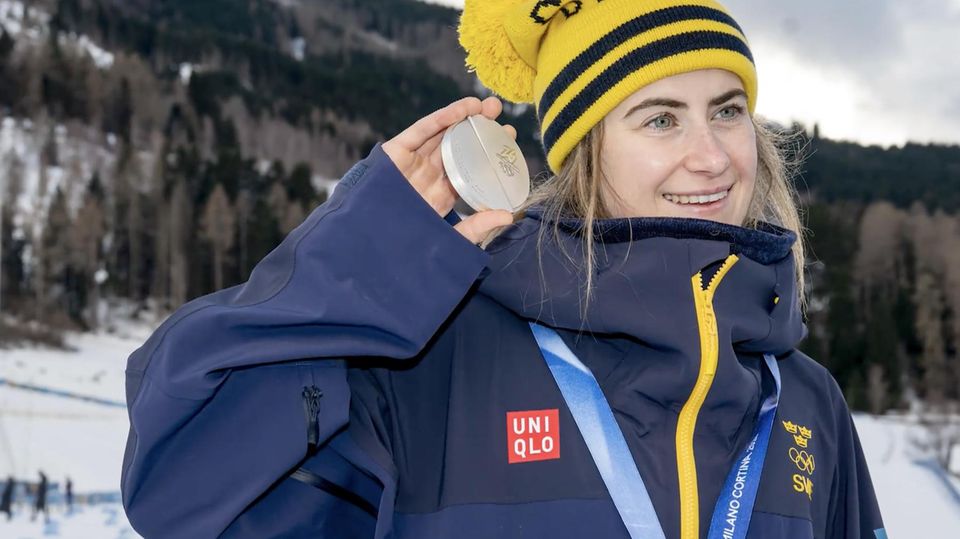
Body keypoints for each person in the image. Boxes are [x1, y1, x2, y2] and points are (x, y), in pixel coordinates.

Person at [121, 1, 885, 538]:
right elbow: (178, 488)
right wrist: (358, 267)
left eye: (727, 109)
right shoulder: (433, 362)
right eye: (660, 118)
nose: (714, 156)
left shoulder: (805, 400)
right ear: (585, 150)